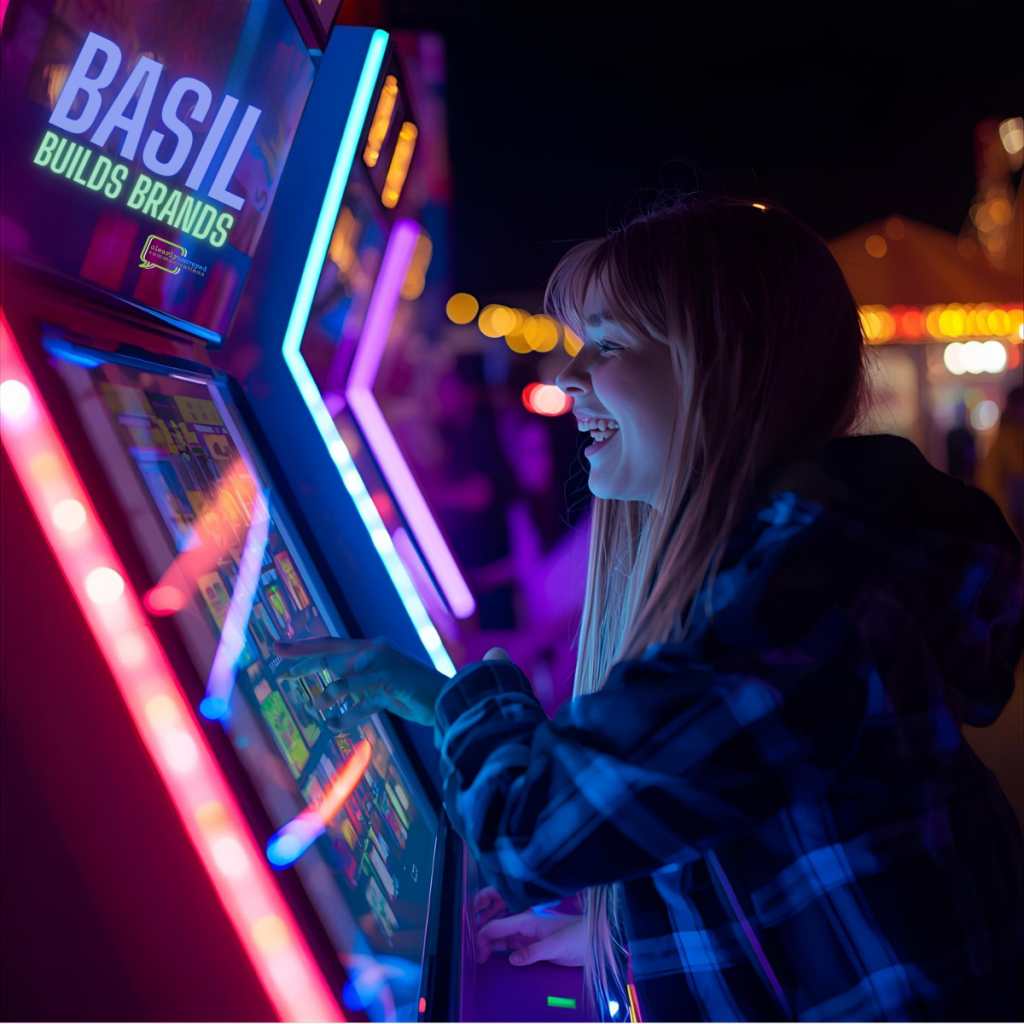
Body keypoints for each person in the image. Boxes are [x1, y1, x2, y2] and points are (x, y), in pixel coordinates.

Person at [275, 195, 1023, 1022]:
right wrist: (630, 934)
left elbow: (527, 833)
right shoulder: (800, 560)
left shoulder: (807, 591)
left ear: (720, 364)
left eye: (607, 344)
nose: (567, 378)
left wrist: (473, 694)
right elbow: (765, 827)